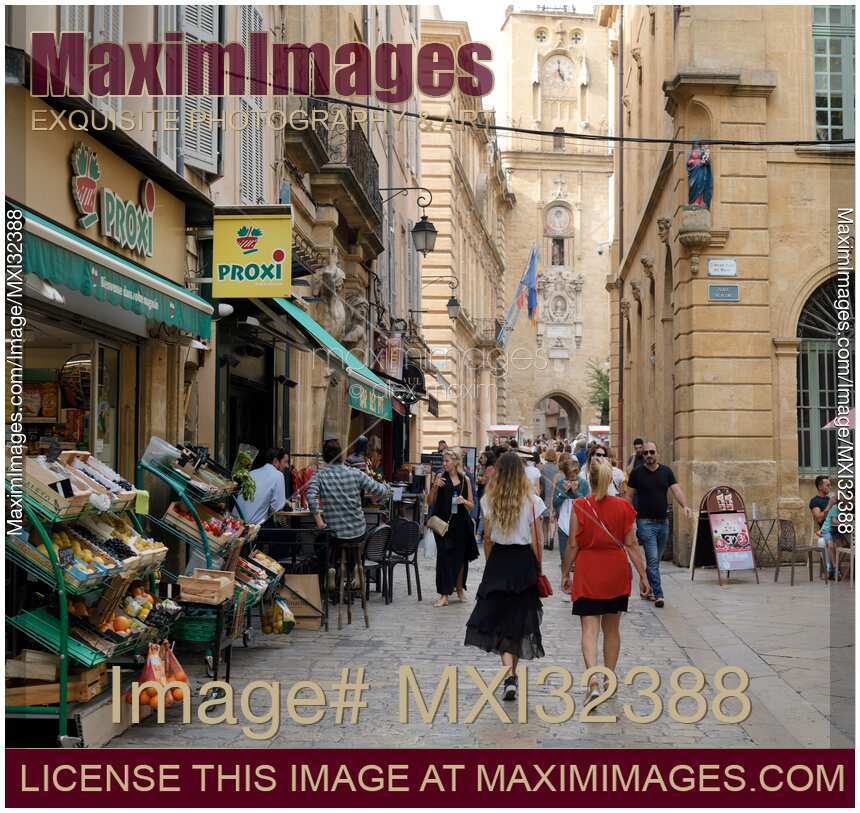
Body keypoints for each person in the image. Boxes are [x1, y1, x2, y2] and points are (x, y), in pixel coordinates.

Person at [561, 456, 649, 701]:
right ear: (611, 479)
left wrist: (565, 572)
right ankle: (609, 678)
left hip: (589, 570)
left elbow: (572, 545)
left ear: (589, 478)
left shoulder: (580, 505)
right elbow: (632, 545)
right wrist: (643, 576)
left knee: (589, 629)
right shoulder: (624, 507)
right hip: (615, 571)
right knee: (612, 629)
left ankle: (593, 680)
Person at [465, 451, 546, 701]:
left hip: (499, 560)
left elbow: (487, 537)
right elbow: (537, 540)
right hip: (523, 561)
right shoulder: (532, 501)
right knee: (518, 620)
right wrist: (539, 567)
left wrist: (491, 563)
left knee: (499, 619)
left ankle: (508, 675)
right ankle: (512, 674)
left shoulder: (490, 499)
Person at [307, 439, 393, 587]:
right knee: (354, 541)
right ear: (341, 455)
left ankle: (331, 567)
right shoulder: (355, 473)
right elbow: (379, 490)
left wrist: (319, 521)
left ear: (325, 457)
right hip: (358, 531)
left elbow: (310, 495)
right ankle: (354, 569)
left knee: (321, 542)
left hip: (335, 533)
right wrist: (386, 488)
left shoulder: (320, 475)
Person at [626, 441, 694, 608]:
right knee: (653, 558)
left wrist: (685, 506)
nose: (649, 455)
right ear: (643, 455)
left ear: (657, 454)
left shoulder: (666, 472)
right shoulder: (637, 473)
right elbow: (628, 496)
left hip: (663, 523)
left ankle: (647, 587)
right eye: (646, 453)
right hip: (644, 522)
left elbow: (676, 490)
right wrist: (627, 516)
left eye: (652, 452)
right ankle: (659, 594)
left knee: (654, 561)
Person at [429, 449, 475, 607]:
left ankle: (460, 589)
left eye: (447, 461)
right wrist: (435, 487)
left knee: (460, 559)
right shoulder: (440, 477)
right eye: (443, 461)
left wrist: (463, 501)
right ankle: (444, 594)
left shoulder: (465, 480)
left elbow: (471, 506)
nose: (444, 464)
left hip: (461, 524)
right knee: (443, 558)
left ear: (455, 462)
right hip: (443, 524)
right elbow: (430, 502)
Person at [235, 447, 289, 524]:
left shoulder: (252, 473)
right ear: (275, 461)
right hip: (253, 527)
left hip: (235, 522)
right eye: (285, 462)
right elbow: (277, 508)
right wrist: (284, 502)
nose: (287, 466)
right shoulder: (278, 475)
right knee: (289, 533)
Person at [554, 457, 590, 558]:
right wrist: (563, 493)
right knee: (564, 554)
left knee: (578, 554)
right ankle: (564, 572)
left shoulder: (583, 483)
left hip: (579, 522)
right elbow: (555, 503)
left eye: (574, 475)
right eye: (569, 476)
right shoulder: (560, 483)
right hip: (563, 521)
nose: (572, 478)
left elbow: (586, 503)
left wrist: (575, 493)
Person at [810, 476, 838, 577]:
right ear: (820, 487)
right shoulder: (815, 501)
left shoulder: (829, 499)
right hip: (825, 530)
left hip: (836, 529)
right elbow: (818, 519)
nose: (830, 487)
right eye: (827, 485)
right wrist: (829, 506)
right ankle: (828, 570)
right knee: (822, 542)